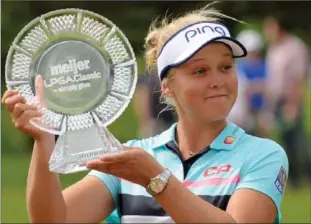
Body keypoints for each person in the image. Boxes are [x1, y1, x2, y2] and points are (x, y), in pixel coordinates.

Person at [2, 4, 289, 223]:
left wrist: (155, 179)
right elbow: (53, 219)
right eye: (200, 71)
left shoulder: (262, 155)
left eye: (226, 67)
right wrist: (43, 140)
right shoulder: (134, 157)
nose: (218, 80)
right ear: (167, 87)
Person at [263, 14, 311, 188]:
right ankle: (290, 181)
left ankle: (305, 178)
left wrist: (292, 105)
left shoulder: (295, 47)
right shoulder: (273, 48)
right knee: (281, 142)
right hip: (275, 103)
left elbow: (298, 80)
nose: (266, 31)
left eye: (269, 26)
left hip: (290, 101)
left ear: (279, 27)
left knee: (296, 141)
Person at [228, 29, 267, 137]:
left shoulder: (262, 65)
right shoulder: (239, 66)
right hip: (243, 113)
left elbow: (267, 87)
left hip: (259, 109)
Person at [133, 69, 176, 138]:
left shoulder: (163, 75)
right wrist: (146, 121)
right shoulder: (149, 78)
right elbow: (143, 101)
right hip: (155, 122)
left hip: (168, 121)